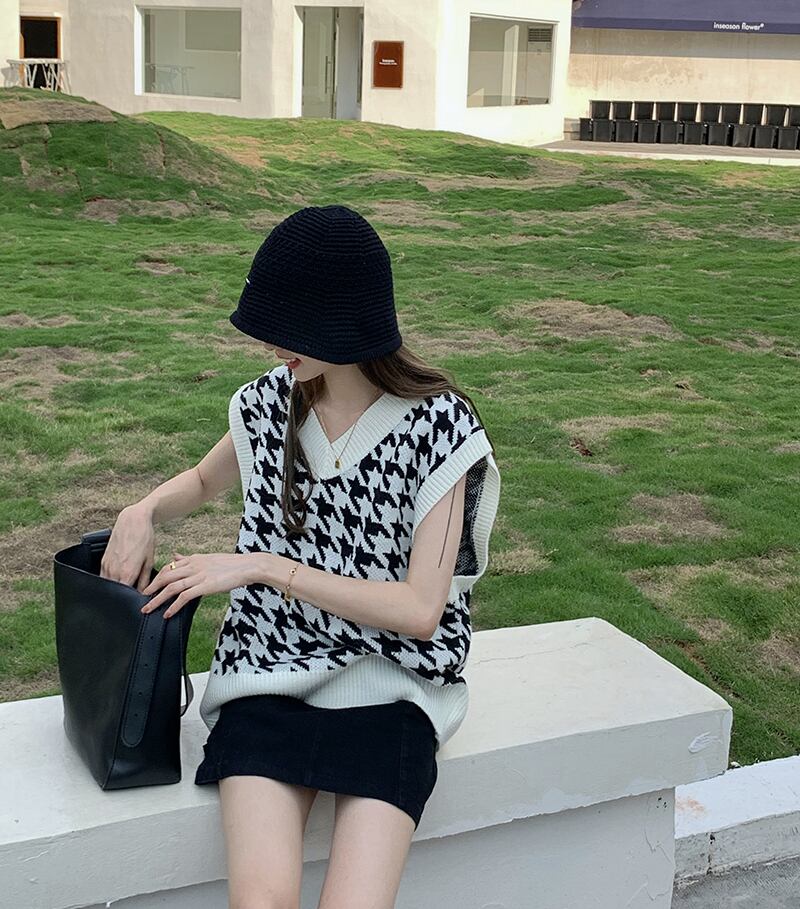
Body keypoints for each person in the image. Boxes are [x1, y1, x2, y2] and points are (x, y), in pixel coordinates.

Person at [101, 204, 501, 908]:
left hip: (392, 685)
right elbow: (203, 480)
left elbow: (419, 610)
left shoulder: (439, 427)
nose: (268, 342)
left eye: (286, 326)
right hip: (267, 674)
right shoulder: (269, 403)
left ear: (341, 322)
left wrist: (261, 566)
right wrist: (143, 511)